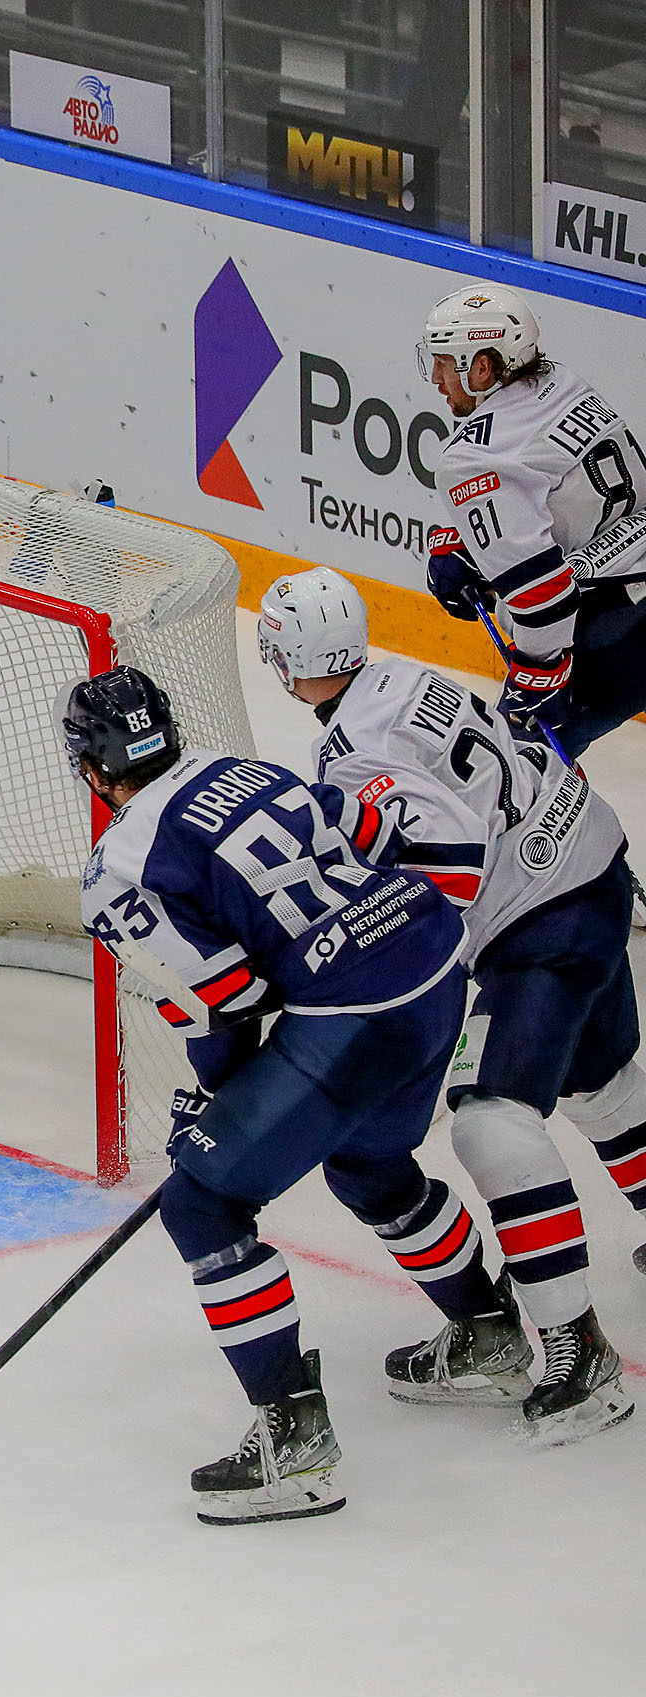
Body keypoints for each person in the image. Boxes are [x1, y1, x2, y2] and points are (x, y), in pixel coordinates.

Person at [68, 665, 506, 1525]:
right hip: (434, 958)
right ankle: (489, 1334)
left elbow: (223, 998)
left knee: (202, 1205)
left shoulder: (118, 869)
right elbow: (376, 826)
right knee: (370, 1163)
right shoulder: (248, 769)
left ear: (92, 768)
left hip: (358, 1010)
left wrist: (217, 1101)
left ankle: (294, 1442)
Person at [258, 567, 635, 1441]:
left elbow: (454, 868)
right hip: (588, 858)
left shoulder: (356, 750)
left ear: (282, 660)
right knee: (596, 1080)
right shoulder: (403, 677)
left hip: (538, 917)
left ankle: (581, 1353)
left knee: (489, 1121)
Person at [417, 282, 646, 755]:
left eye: (442, 362)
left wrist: (540, 677)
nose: (436, 379)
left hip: (617, 630)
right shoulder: (561, 382)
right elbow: (566, 502)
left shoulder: (472, 459)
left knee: (514, 770)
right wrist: (473, 549)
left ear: (480, 366)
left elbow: (546, 600)